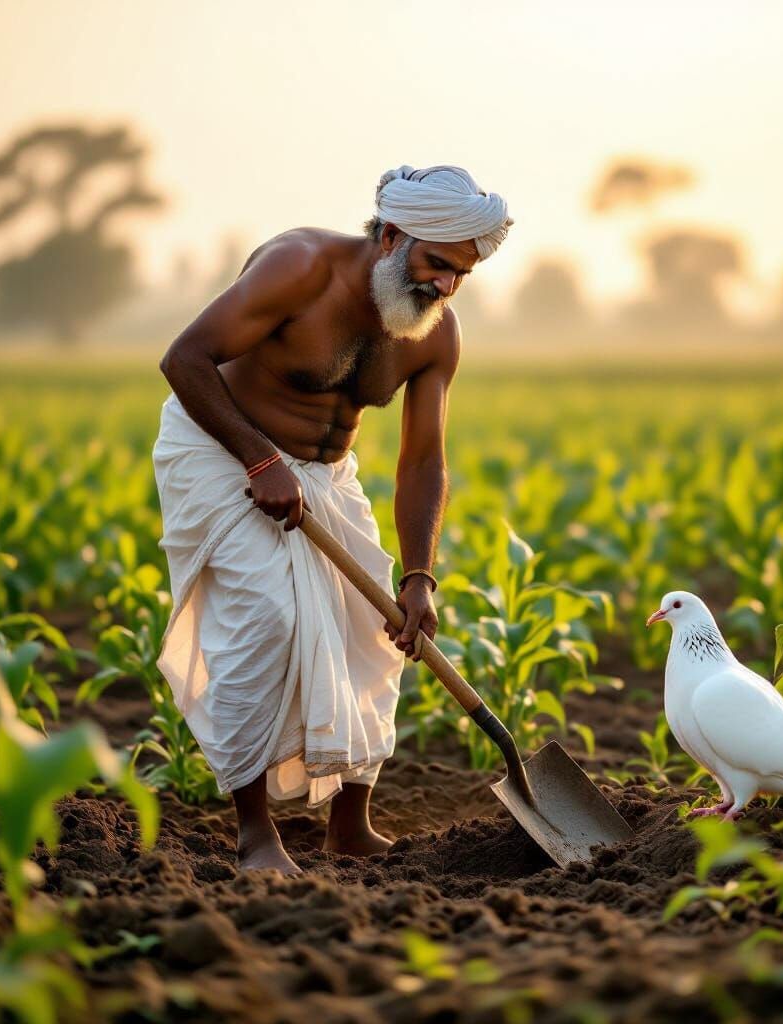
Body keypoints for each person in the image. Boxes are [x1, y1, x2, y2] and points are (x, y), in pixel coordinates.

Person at [152, 165, 512, 874]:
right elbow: (184, 359)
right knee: (267, 617)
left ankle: (350, 826)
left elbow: (422, 463)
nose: (446, 286)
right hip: (220, 442)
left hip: (321, 474)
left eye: (461, 274)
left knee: (378, 629)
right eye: (437, 264)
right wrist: (259, 460)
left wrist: (419, 577)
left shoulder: (436, 334)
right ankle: (256, 834)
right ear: (389, 236)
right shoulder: (299, 268)